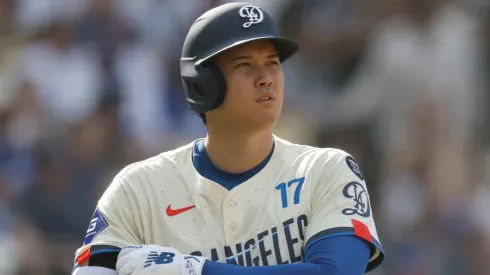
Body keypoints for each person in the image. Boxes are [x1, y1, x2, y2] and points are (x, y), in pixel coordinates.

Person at [72, 2, 385, 275]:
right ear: (202, 84)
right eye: (245, 65)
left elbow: (334, 273)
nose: (266, 78)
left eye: (273, 63)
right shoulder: (137, 188)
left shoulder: (326, 170)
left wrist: (196, 270)